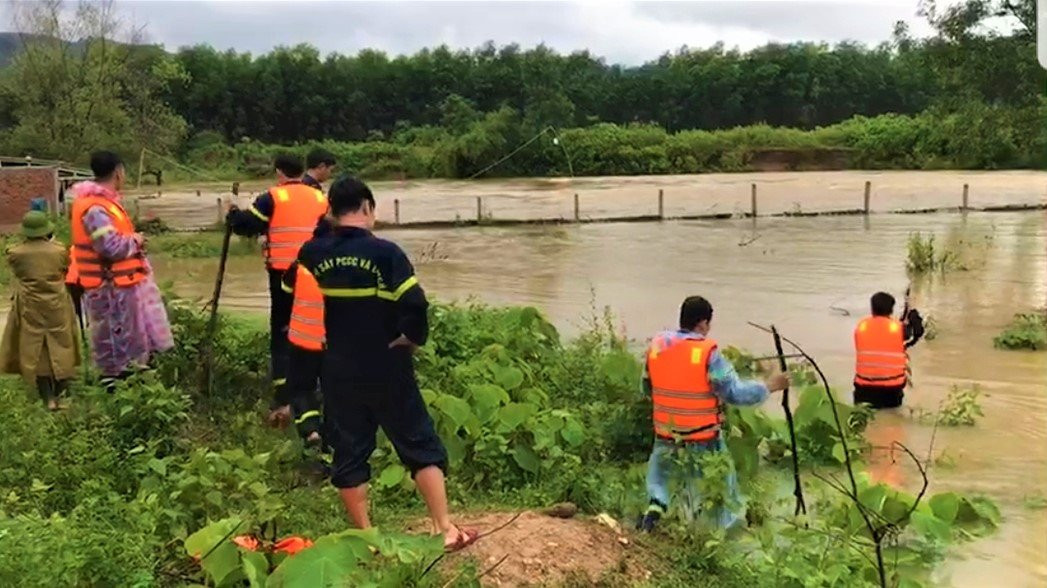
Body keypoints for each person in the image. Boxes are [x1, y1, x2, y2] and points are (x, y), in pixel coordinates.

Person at [296, 176, 477, 552]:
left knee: (349, 450)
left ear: (331, 210)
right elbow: (415, 305)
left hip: (336, 367)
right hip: (386, 364)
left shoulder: (311, 253)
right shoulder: (386, 253)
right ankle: (444, 528)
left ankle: (366, 538)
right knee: (418, 440)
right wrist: (409, 338)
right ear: (367, 208)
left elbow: (291, 305)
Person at [639, 296, 789, 532]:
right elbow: (735, 393)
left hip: (666, 433)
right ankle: (720, 533)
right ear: (703, 323)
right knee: (720, 489)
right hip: (703, 438)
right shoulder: (708, 352)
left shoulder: (658, 346)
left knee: (660, 480)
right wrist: (770, 386)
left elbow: (646, 387)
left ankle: (655, 509)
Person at [227, 154, 328, 425]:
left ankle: (284, 395)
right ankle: (317, 389)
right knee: (316, 328)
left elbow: (247, 226)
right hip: (319, 274)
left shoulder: (272, 197)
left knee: (283, 331)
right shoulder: (320, 197)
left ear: (279, 173)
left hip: (283, 275)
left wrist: (234, 214)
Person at [69, 151, 173, 389]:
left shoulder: (102, 203)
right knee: (116, 351)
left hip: (118, 286)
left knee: (126, 347)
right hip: (110, 290)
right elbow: (110, 246)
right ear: (118, 172)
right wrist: (136, 240)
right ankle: (119, 395)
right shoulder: (95, 208)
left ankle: (130, 387)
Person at [1, 211, 81, 410]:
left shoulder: (15, 253)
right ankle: (62, 395)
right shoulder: (60, 250)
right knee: (62, 342)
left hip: (30, 305)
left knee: (34, 346)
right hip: (57, 303)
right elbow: (65, 267)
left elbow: (18, 271)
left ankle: (48, 399)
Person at [281, 219, 333, 457]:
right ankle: (331, 439)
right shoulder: (341, 266)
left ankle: (311, 431)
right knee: (333, 390)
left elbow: (285, 290)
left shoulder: (300, 264)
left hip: (302, 339)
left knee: (301, 389)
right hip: (333, 342)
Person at [853, 292, 923, 410]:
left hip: (864, 388)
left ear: (872, 309)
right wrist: (915, 318)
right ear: (891, 310)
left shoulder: (861, 326)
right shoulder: (899, 328)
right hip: (891, 390)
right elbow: (917, 333)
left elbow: (879, 339)